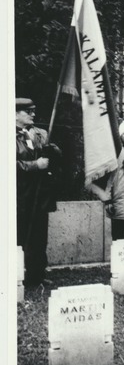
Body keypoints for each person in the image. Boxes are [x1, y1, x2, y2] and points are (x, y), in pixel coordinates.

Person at [16, 97, 61, 287]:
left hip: (39, 195)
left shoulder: (38, 133)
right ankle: (16, 274)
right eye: (28, 111)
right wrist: (36, 165)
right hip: (20, 196)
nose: (33, 114)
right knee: (19, 236)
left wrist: (54, 151)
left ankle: (36, 275)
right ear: (15, 114)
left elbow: (52, 153)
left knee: (39, 236)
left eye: (34, 110)